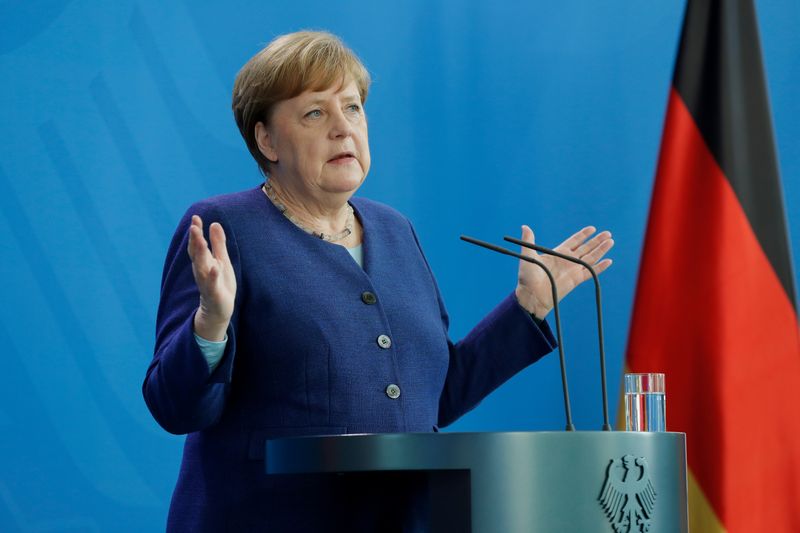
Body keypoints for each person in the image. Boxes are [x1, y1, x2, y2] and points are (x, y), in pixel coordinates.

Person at [142, 31, 613, 532]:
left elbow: (435, 398)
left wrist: (527, 308)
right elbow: (176, 408)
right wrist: (211, 324)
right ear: (267, 139)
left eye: (353, 108)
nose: (344, 129)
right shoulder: (224, 228)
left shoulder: (395, 230)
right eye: (315, 113)